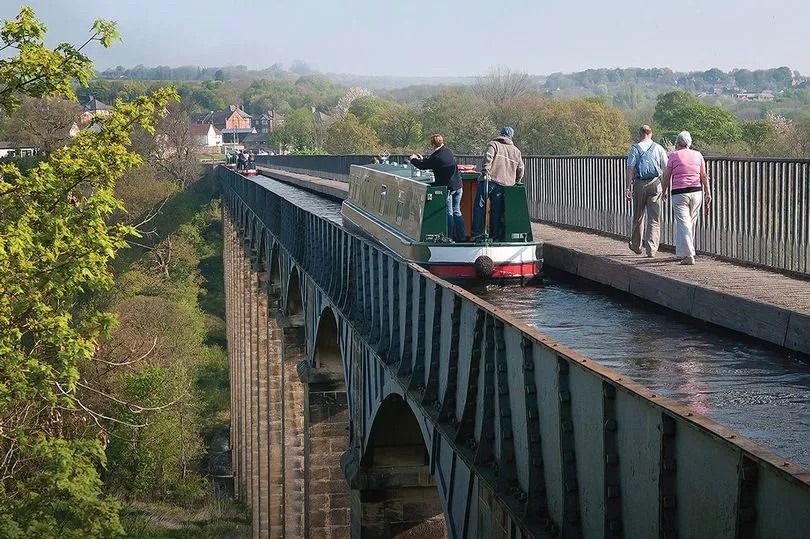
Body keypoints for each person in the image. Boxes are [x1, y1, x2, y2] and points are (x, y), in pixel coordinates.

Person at [661, 131, 712, 265]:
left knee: (683, 223)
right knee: (691, 223)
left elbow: (667, 176)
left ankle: (689, 254)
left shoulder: (673, 155)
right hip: (696, 192)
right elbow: (703, 175)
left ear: (677, 143)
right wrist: (708, 192)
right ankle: (687, 253)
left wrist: (664, 190)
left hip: (679, 193)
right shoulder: (698, 155)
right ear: (689, 143)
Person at [471, 126, 524, 241]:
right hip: (504, 184)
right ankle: (494, 235)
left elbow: (488, 158)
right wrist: (516, 181)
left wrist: (485, 171)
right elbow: (521, 168)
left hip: (489, 180)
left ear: (501, 134)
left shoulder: (493, 144)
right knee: (496, 210)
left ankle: (477, 233)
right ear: (511, 136)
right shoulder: (516, 151)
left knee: (480, 206)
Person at [410, 134, 465, 241]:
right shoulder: (448, 151)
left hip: (448, 188)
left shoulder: (437, 157)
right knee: (457, 211)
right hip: (458, 186)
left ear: (433, 144)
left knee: (449, 212)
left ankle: (448, 237)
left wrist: (413, 160)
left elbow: (423, 166)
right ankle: (461, 237)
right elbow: (431, 162)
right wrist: (423, 159)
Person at [626, 125, 668, 258]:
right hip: (656, 184)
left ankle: (637, 246)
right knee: (654, 218)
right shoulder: (658, 148)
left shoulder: (635, 148)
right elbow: (666, 168)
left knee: (638, 216)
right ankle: (652, 250)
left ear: (640, 134)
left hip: (639, 184)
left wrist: (628, 187)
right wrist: (665, 187)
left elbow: (630, 168)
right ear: (651, 134)